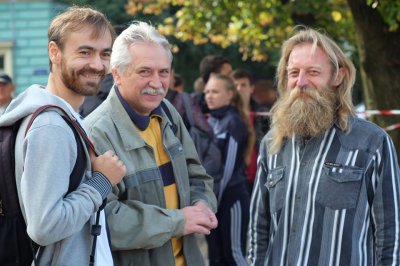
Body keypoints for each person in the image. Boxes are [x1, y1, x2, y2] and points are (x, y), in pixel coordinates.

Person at [248, 27, 400, 265]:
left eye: (313, 72)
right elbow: (259, 229)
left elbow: (390, 232)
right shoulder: (272, 145)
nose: (301, 82)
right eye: (294, 73)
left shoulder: (372, 143)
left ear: (337, 76)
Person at [84, 21, 218, 266]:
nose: (157, 83)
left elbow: (197, 175)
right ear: (117, 74)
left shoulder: (166, 111)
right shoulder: (96, 132)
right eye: (145, 71)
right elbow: (103, 220)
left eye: (164, 72)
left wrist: (202, 204)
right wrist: (178, 221)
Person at [0, 7, 126, 265]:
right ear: (54, 52)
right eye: (85, 52)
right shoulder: (51, 127)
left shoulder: (58, 116)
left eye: (105, 54)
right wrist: (102, 181)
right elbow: (45, 226)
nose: (98, 64)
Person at [204, 74, 251, 266]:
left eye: (215, 91)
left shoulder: (233, 121)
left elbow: (228, 170)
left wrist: (211, 204)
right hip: (213, 201)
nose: (209, 96)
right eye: (207, 91)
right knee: (215, 257)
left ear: (229, 94)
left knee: (234, 255)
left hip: (231, 199)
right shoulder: (211, 120)